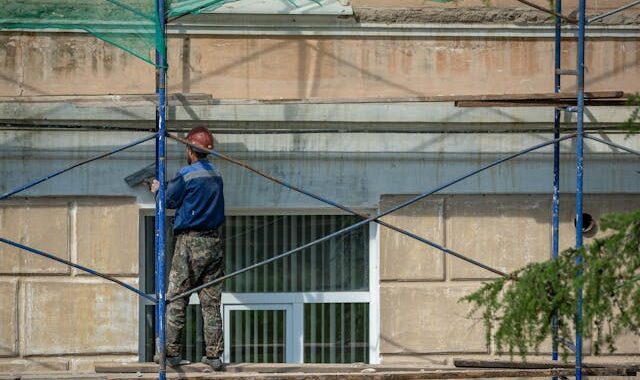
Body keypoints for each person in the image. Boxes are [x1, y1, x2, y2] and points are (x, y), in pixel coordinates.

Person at [151, 126, 225, 370]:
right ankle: (214, 356)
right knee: (211, 302)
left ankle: (170, 353)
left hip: (189, 242)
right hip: (213, 242)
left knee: (176, 297)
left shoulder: (187, 174)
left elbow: (169, 200)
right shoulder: (217, 174)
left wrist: (157, 190)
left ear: (191, 150)